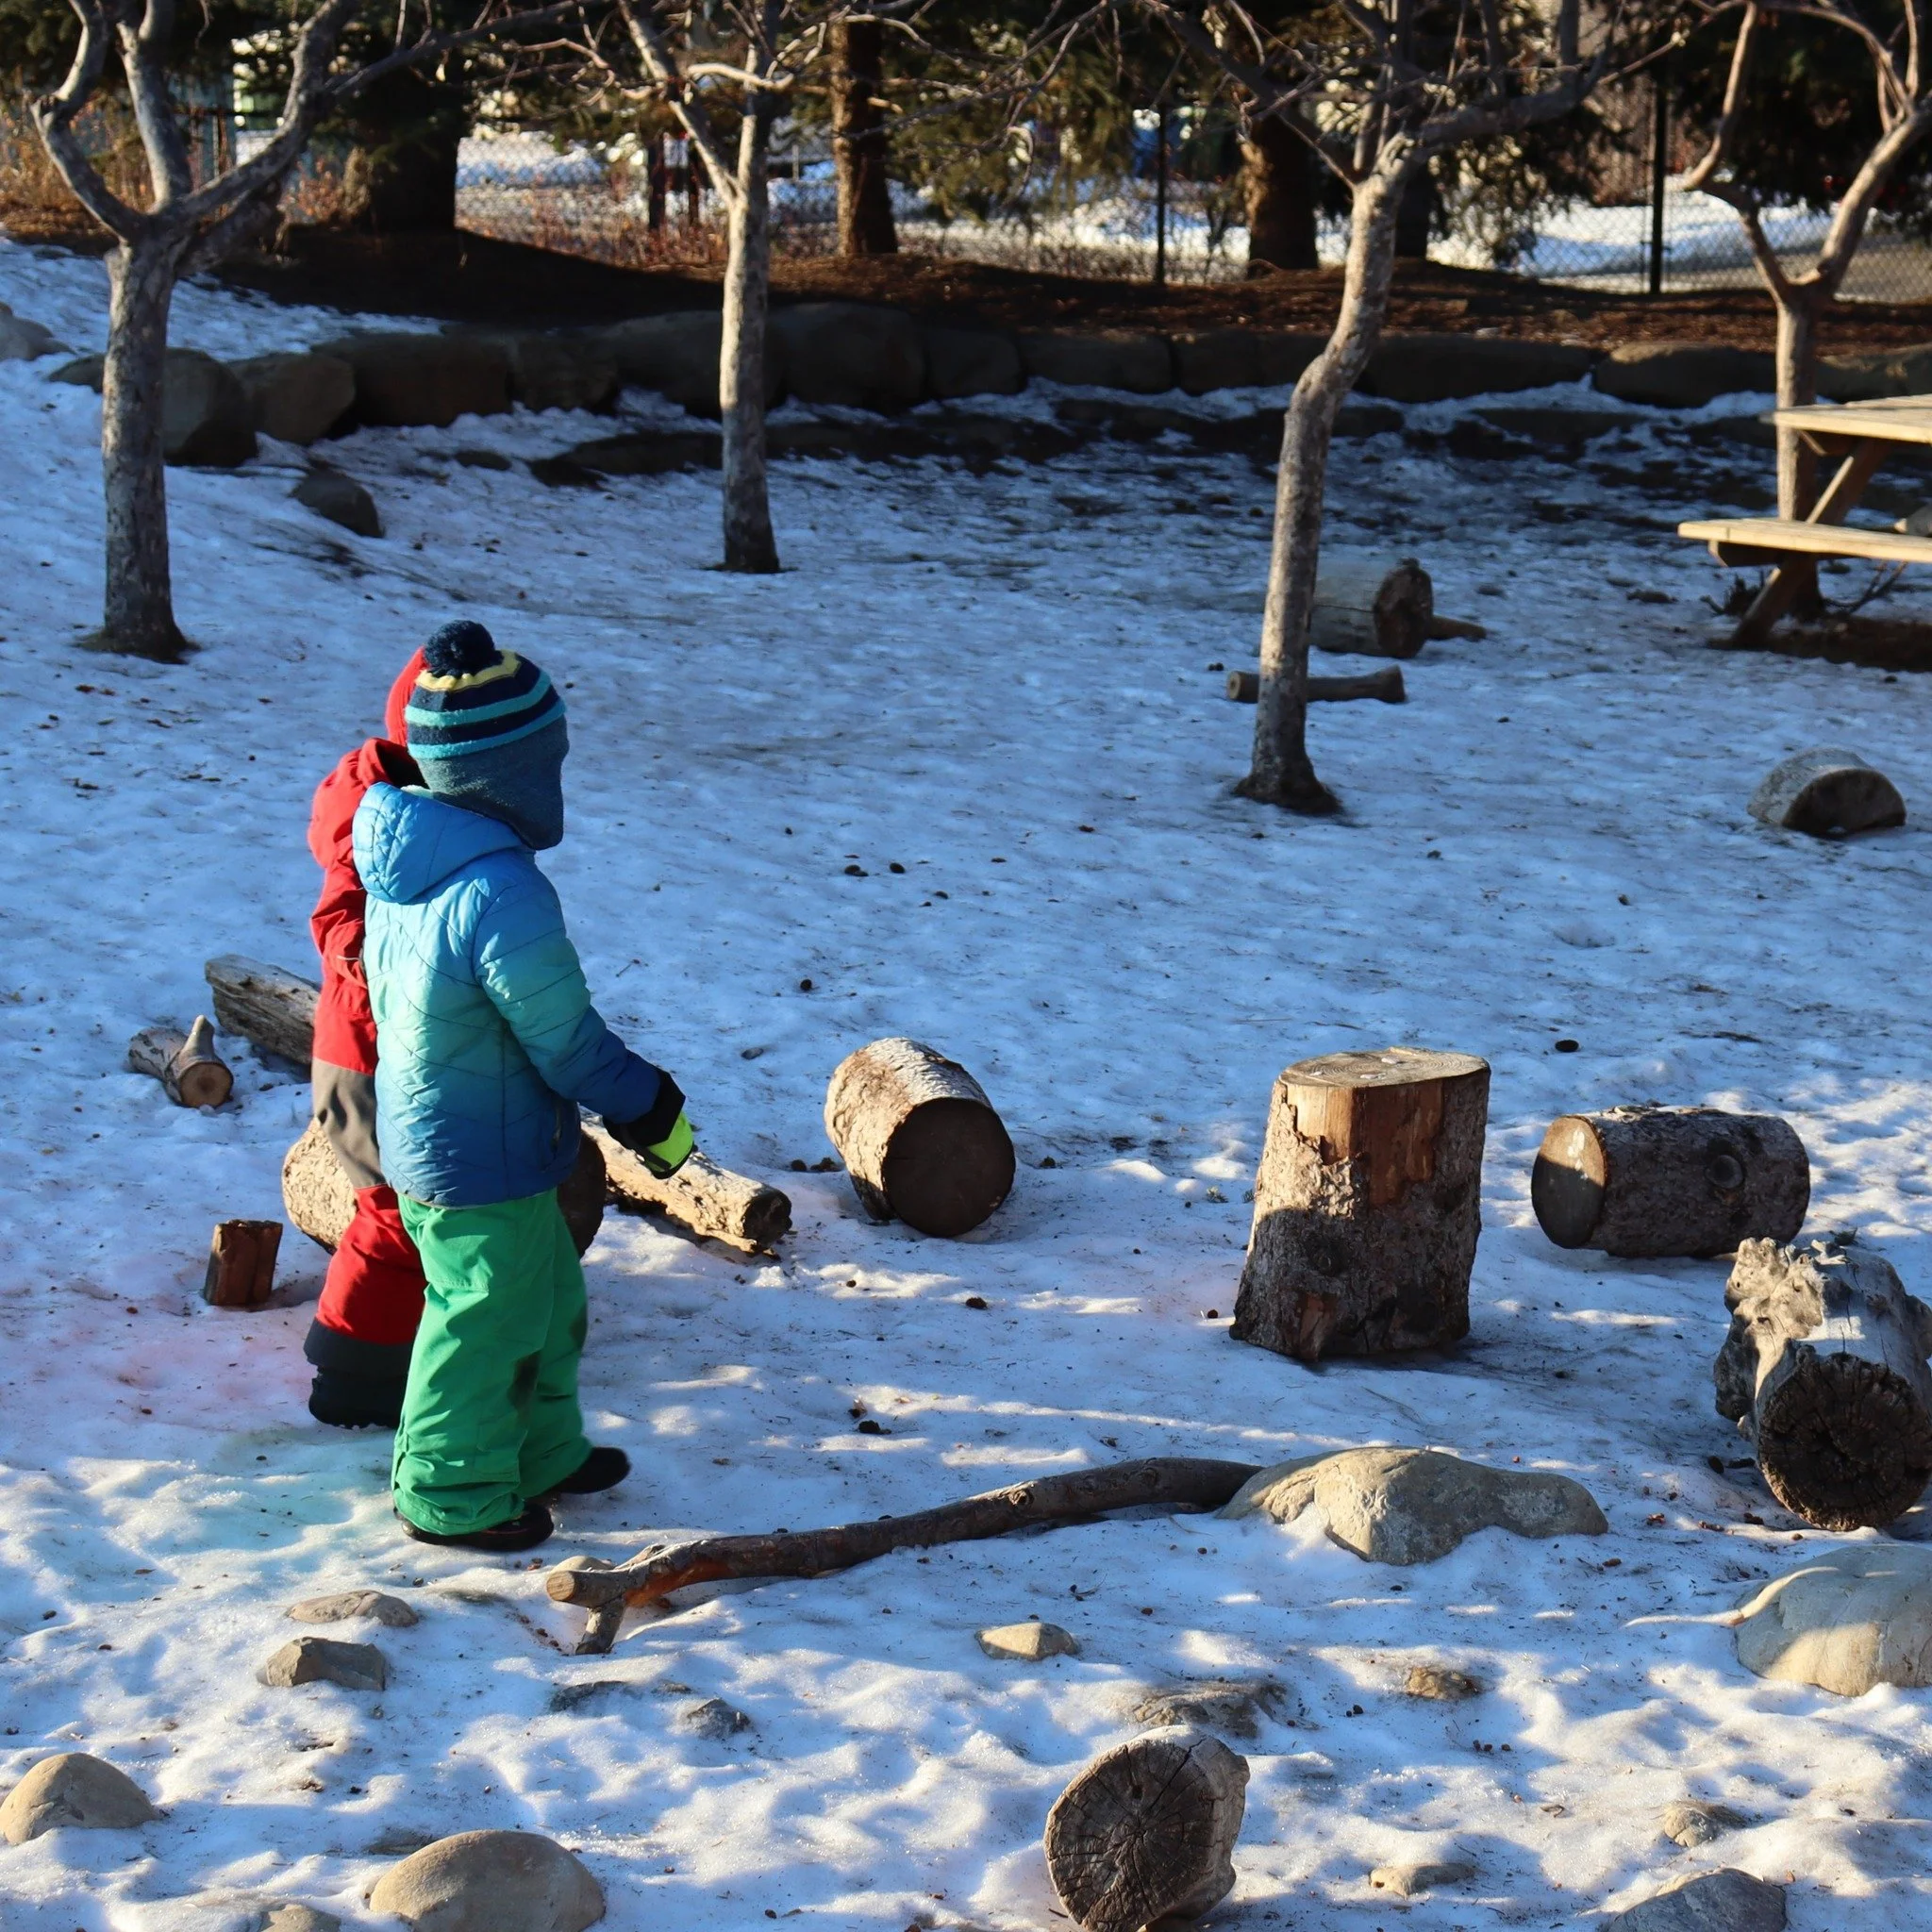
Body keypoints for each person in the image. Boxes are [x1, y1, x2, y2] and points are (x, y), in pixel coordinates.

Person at [354, 619, 693, 1553]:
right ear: (508, 771)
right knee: (480, 1322)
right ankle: (448, 1490)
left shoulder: (409, 857)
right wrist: (647, 1103)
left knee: (544, 1303)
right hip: (477, 1156)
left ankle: (537, 1453)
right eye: (550, 758)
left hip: (458, 1135)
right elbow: (564, 1041)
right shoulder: (500, 890)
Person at [302, 649, 429, 1428]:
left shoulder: (393, 793)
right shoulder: (377, 814)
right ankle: (348, 1375)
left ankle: (391, 1353)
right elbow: (342, 927)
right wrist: (404, 969)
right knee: (394, 1211)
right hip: (363, 1053)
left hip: (382, 1047)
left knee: (404, 1211)